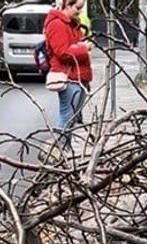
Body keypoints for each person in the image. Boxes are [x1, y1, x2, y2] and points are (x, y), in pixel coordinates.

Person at [44, 0, 93, 150]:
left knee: (71, 118)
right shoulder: (57, 24)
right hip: (68, 77)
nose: (79, 11)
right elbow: (62, 52)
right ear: (67, 4)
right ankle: (59, 152)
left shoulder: (71, 23)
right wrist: (83, 48)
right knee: (66, 117)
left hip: (78, 76)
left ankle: (65, 150)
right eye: (77, 8)